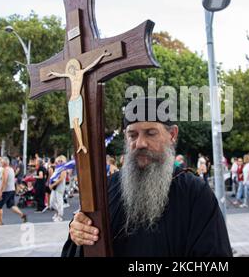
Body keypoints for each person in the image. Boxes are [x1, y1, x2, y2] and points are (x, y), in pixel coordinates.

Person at [61, 97, 232, 257]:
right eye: (132, 135)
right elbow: (81, 247)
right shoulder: (106, 188)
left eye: (150, 133)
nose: (140, 143)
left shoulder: (195, 193)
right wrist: (78, 235)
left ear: (172, 134)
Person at [0, 157, 27, 225]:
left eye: (1, 162)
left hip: (5, 191)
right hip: (11, 190)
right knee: (11, 205)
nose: (0, 163)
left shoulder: (5, 170)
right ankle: (22, 214)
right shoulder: (11, 169)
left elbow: (4, 181)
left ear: (5, 163)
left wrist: (1, 192)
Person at [49, 155, 68, 222]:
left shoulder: (63, 169)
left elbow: (61, 179)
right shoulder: (57, 169)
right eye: (58, 161)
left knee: (59, 201)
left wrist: (52, 184)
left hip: (60, 187)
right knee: (52, 202)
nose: (59, 162)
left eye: (61, 161)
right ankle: (57, 213)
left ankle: (60, 216)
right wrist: (51, 184)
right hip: (55, 187)